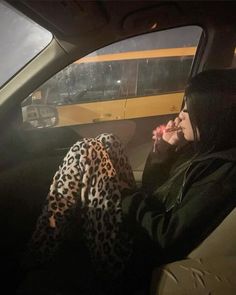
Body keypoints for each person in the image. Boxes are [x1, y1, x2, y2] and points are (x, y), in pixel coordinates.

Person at [19, 69, 236, 294]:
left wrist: (124, 196)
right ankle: (47, 243)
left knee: (86, 150)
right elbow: (157, 192)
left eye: (189, 110)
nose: (180, 114)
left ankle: (40, 250)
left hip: (130, 255)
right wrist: (164, 151)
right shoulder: (202, 151)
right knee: (107, 141)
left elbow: (166, 237)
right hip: (137, 228)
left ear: (212, 116)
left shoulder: (222, 174)